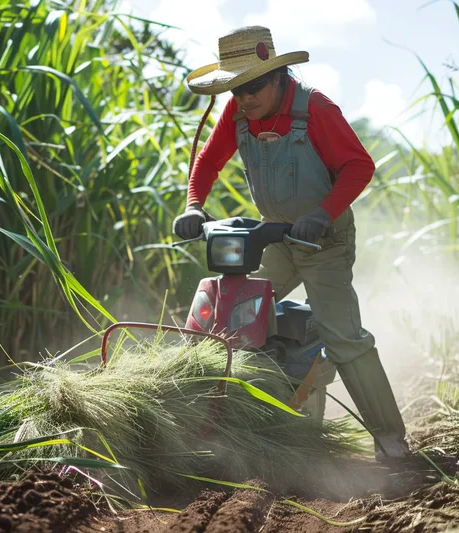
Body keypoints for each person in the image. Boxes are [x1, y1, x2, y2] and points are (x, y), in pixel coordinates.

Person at [173, 26, 410, 461]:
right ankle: (227, 424)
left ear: (278, 74)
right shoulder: (238, 113)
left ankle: (391, 441)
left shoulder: (315, 108)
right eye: (237, 88)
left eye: (254, 85)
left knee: (346, 340)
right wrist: (193, 205)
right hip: (275, 239)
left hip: (324, 243)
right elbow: (208, 160)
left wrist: (321, 214)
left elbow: (359, 165)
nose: (245, 97)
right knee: (234, 321)